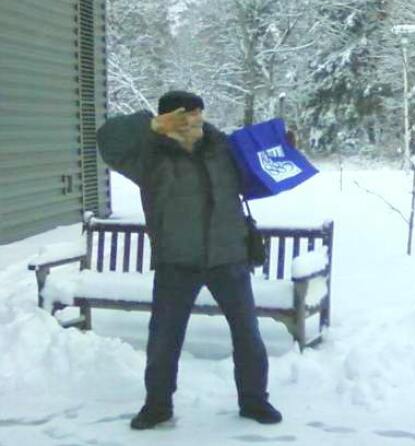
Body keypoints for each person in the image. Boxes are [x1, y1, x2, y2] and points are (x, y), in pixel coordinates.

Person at [97, 91, 282, 430]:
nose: (195, 120)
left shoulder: (222, 147)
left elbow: (262, 166)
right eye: (186, 115)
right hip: (176, 260)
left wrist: (284, 148)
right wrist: (152, 126)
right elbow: (108, 139)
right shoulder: (148, 154)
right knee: (165, 337)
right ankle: (157, 405)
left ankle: (255, 400)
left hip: (228, 256)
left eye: (198, 113)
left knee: (247, 333)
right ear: (169, 118)